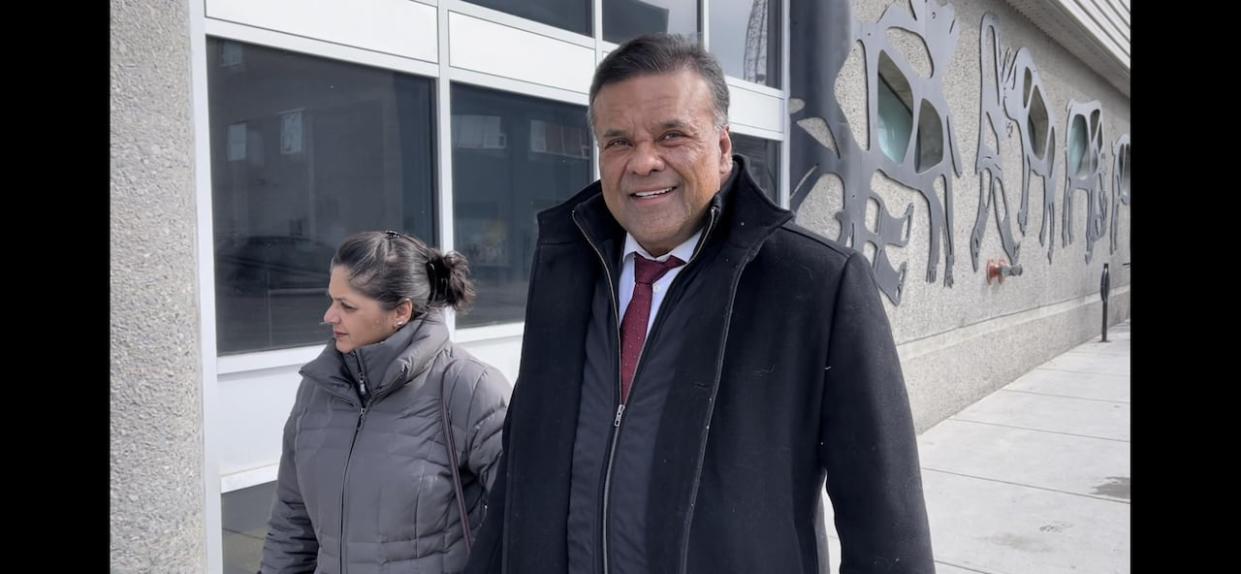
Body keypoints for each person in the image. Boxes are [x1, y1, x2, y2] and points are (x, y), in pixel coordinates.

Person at [466, 34, 934, 574]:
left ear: (723, 145)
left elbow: (884, 522)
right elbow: (523, 463)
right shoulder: (566, 266)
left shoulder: (815, 284)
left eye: (673, 135)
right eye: (618, 142)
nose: (643, 162)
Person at [261, 230, 510, 574]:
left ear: (400, 312)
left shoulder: (468, 387)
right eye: (332, 300)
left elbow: (523, 518)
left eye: (347, 306)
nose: (329, 316)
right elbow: (292, 519)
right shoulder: (318, 388)